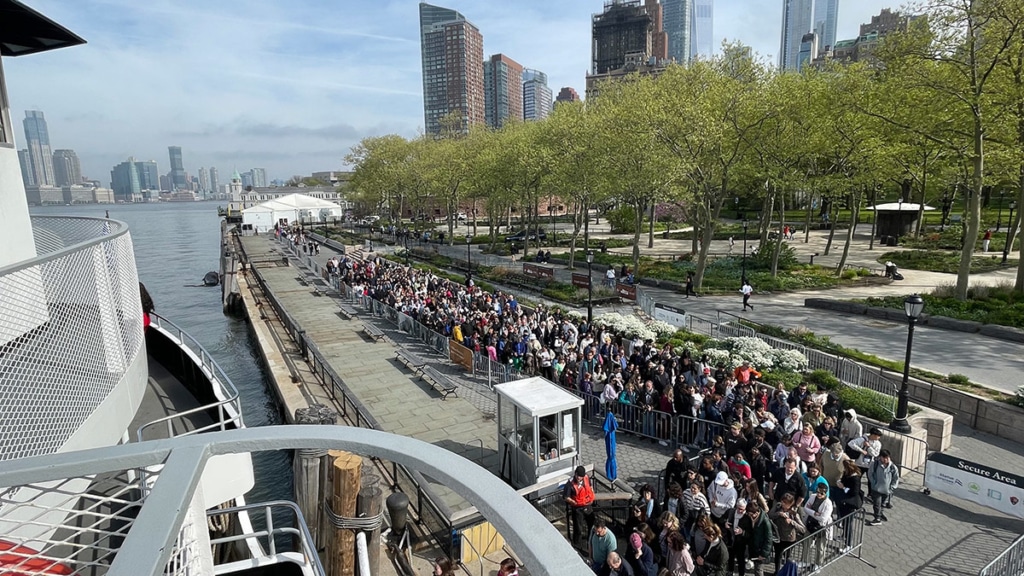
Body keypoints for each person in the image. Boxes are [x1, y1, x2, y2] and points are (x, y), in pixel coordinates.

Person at [769, 493, 806, 573]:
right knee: (777, 556)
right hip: (778, 536)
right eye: (782, 502)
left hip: (789, 539)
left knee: (787, 558)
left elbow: (803, 529)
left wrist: (792, 522)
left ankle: (787, 573)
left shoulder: (794, 513)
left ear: (790, 504)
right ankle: (777, 572)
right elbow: (769, 515)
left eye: (785, 503)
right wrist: (778, 514)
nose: (783, 504)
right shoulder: (778, 506)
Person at [802, 482, 833, 569]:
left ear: (825, 493)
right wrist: (814, 513)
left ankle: (818, 564)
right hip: (810, 523)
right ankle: (804, 561)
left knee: (820, 547)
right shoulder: (813, 496)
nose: (819, 494)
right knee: (806, 543)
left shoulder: (828, 503)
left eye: (821, 493)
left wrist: (810, 511)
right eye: (818, 491)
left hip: (822, 527)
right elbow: (805, 508)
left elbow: (823, 518)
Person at [565, 465, 595, 550]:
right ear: (575, 474)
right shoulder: (570, 484)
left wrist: (591, 495)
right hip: (578, 508)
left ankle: (591, 542)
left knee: (592, 524)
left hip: (588, 505)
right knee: (578, 529)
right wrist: (574, 502)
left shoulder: (586, 478)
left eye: (581, 476)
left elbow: (590, 487)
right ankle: (577, 546)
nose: (579, 478)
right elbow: (566, 496)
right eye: (578, 476)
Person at [866, 449, 900, 526]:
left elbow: (896, 478)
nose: (885, 460)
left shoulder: (893, 467)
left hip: (887, 490)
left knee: (883, 503)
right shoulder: (875, 464)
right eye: (883, 458)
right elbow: (870, 474)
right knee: (877, 504)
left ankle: (880, 513)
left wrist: (892, 487)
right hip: (876, 489)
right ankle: (877, 518)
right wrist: (874, 483)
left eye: (887, 458)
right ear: (880, 457)